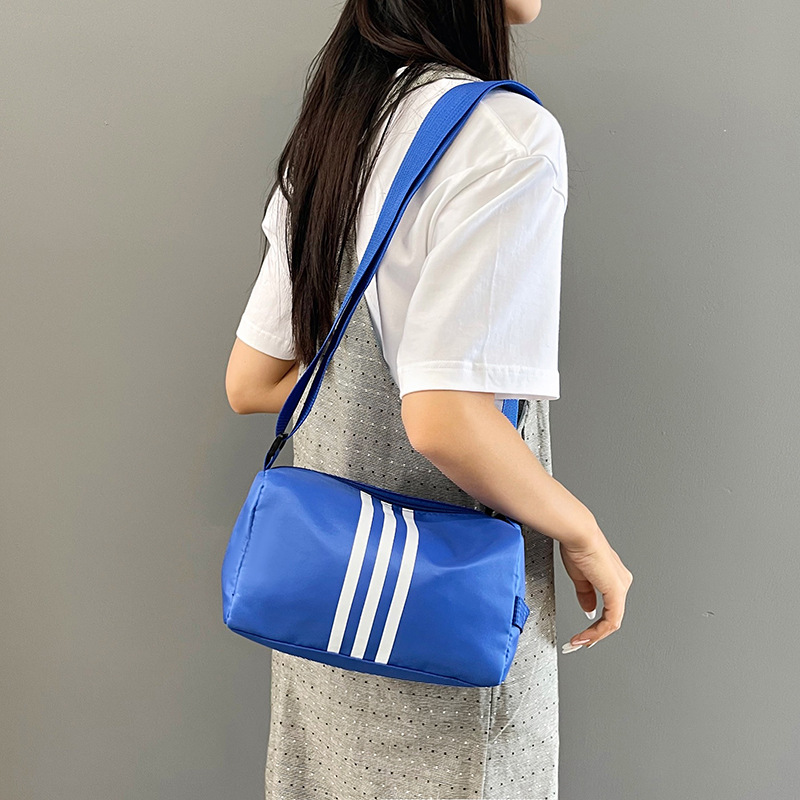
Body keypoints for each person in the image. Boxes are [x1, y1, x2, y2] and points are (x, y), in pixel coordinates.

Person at [225, 0, 633, 797]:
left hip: (327, 620)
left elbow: (253, 382)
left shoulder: (338, 128)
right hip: (441, 632)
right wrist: (583, 532)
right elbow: (444, 420)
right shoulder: (504, 137)